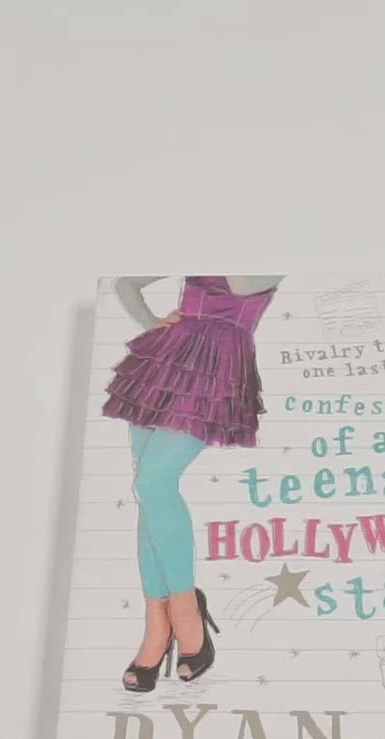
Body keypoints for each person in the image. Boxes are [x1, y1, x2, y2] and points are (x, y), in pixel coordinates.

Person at [100, 274, 284, 691]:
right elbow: (126, 283)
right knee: (149, 489)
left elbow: (242, 282)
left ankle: (184, 608)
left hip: (218, 369)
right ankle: (158, 622)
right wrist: (151, 322)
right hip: (166, 362)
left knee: (154, 483)